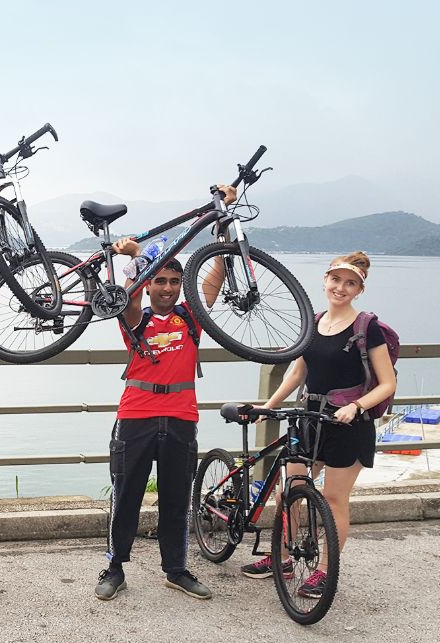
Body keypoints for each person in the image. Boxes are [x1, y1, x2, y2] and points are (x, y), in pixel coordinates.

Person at [94, 185, 235, 602]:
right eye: (162, 281)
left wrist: (224, 225)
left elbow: (214, 276)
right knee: (127, 497)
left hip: (180, 418)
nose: (169, 288)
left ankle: (176, 569)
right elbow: (128, 297)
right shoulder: (135, 316)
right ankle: (115, 567)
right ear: (149, 284)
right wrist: (135, 260)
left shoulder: (191, 318)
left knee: (176, 501)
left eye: (175, 281)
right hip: (136, 415)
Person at [241, 252, 396, 596]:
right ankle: (280, 556)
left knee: (334, 498)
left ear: (359, 289)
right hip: (309, 419)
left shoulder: (366, 327)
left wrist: (356, 406)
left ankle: (325, 571)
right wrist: (268, 407)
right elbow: (298, 372)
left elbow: (387, 383)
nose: (341, 287)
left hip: (349, 423)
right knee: (289, 491)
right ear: (325, 280)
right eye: (336, 280)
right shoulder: (312, 322)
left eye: (350, 283)